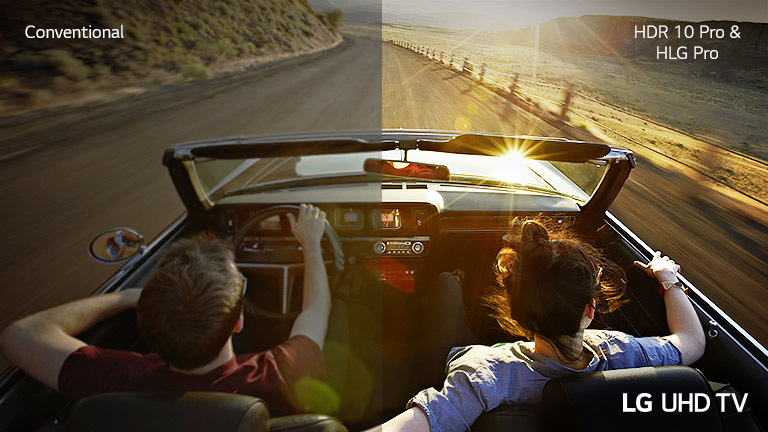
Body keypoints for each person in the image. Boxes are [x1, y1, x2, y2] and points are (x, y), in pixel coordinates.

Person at [0, 204, 331, 417]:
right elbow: (316, 309)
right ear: (239, 322)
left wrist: (126, 297)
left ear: (146, 324)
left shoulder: (118, 381)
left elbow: (20, 335)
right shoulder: (283, 373)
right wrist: (311, 245)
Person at [379, 220, 706, 432]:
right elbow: (691, 341)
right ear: (590, 308)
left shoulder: (485, 374)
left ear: (517, 315)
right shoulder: (623, 352)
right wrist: (668, 280)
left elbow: (419, 422)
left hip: (456, 361)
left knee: (445, 288)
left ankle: (454, 289)